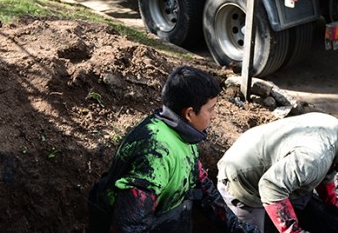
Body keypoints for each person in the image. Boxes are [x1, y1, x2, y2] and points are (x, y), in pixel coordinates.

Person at [87, 66, 258, 233]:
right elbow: (129, 226)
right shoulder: (155, 153)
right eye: (210, 109)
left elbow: (204, 188)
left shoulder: (182, 133)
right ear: (189, 113)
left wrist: (239, 228)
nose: (214, 115)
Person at [215, 112, 338, 233]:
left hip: (274, 159)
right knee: (249, 230)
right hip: (243, 177)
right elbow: (270, 186)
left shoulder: (336, 130)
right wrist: (292, 230)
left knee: (304, 197)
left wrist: (330, 200)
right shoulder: (314, 159)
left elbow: (333, 165)